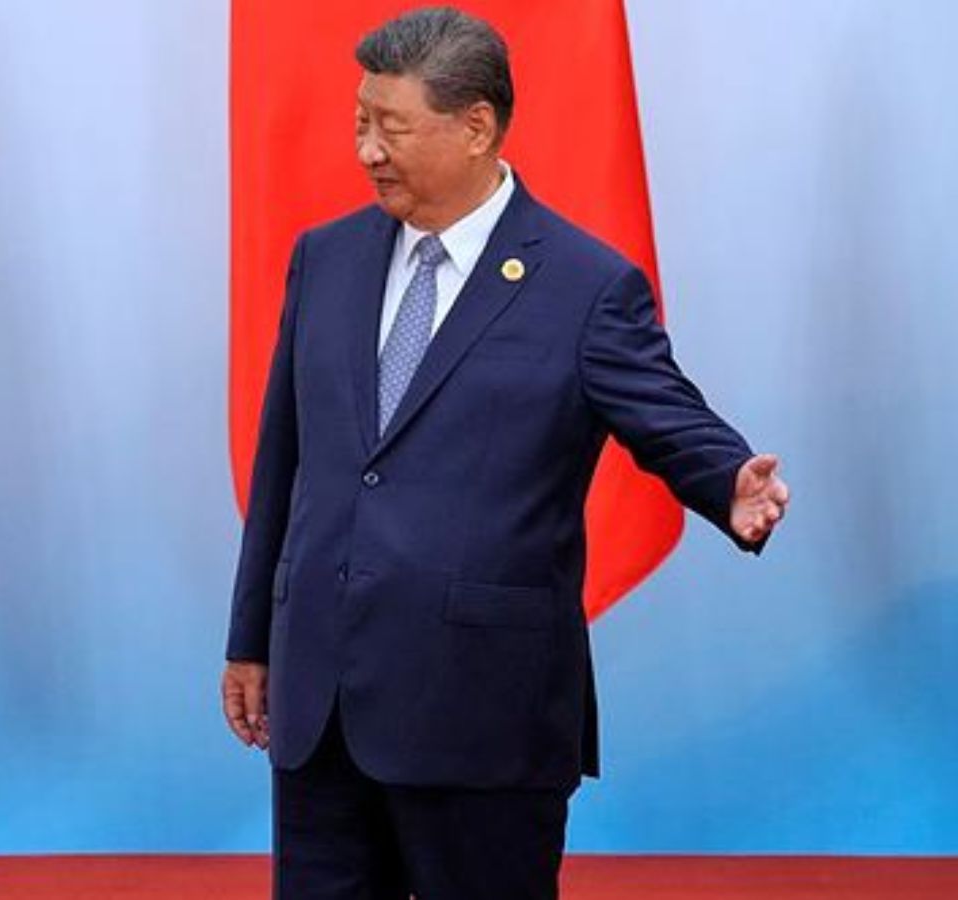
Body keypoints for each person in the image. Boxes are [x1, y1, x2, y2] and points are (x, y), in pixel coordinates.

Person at [220, 8, 789, 899]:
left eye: (391, 126)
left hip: (479, 713)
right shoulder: (322, 259)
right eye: (361, 120)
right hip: (321, 702)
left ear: (476, 125)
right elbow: (283, 461)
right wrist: (251, 638)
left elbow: (663, 410)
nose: (366, 148)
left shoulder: (583, 284)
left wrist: (726, 481)